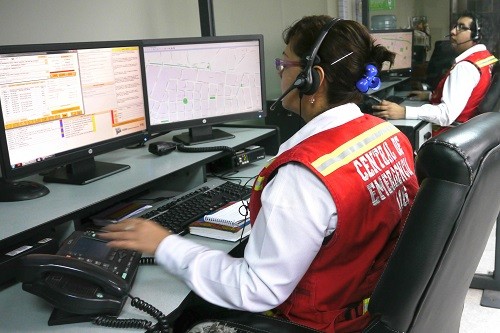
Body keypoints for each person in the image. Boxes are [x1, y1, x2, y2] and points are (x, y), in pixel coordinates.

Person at [99, 15, 419, 333]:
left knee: (177, 316)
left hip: (316, 322)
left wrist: (164, 245)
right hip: (363, 308)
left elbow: (257, 289)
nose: (279, 73)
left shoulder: (302, 178)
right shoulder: (389, 136)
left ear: (311, 79)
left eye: (285, 65)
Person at [372, 11, 498, 136]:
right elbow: (468, 95)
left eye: (461, 27)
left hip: (449, 135)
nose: (453, 31)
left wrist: (403, 111)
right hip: (470, 132)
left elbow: (446, 115)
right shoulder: (486, 59)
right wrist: (430, 96)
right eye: (455, 26)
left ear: (476, 35)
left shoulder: (465, 67)